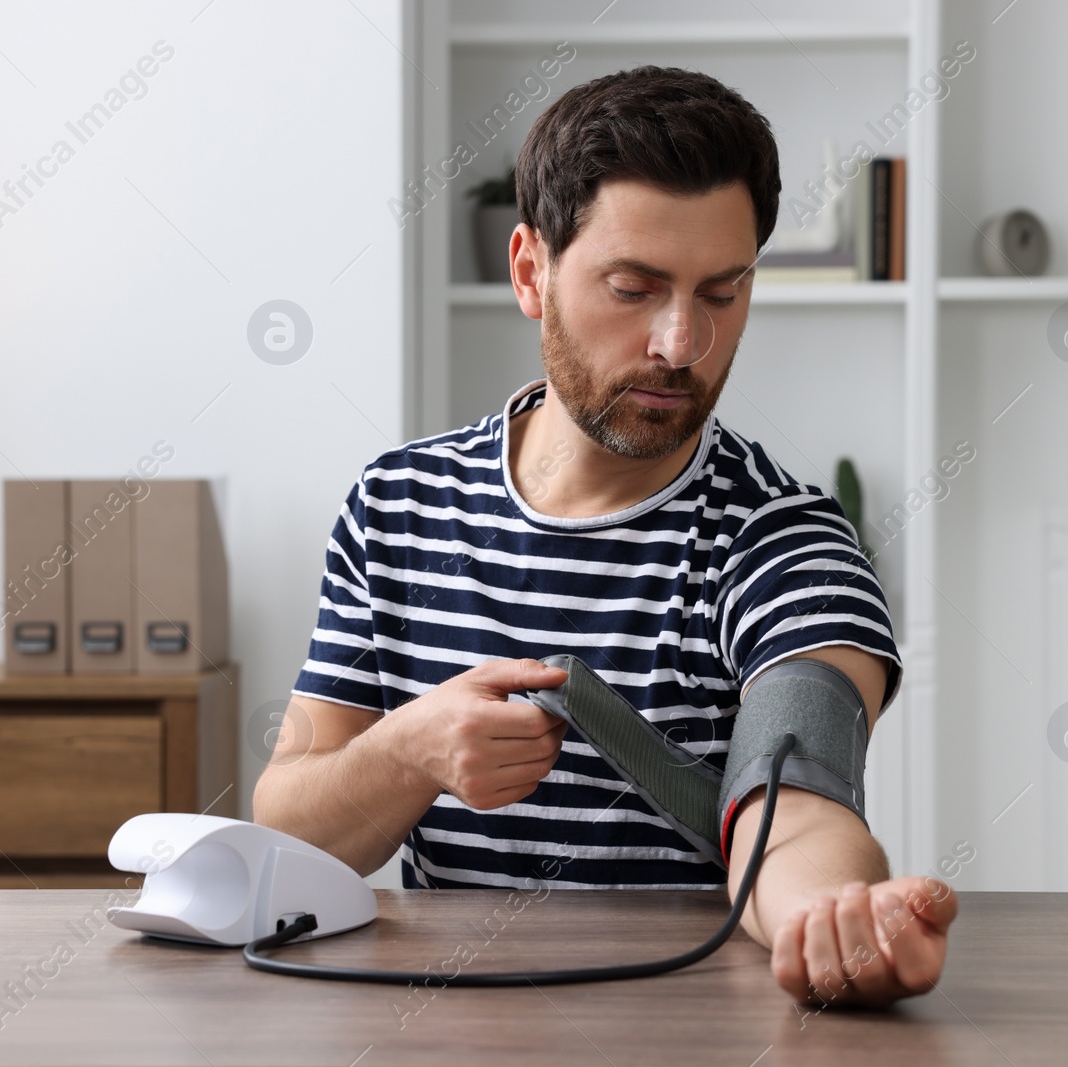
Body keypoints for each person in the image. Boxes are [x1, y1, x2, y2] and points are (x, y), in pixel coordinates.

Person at [253, 64, 955, 1007]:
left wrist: (827, 914)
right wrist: (407, 751)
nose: (681, 343)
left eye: (722, 291)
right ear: (530, 271)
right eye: (634, 287)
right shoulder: (396, 504)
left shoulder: (787, 542)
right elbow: (287, 823)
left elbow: (798, 805)